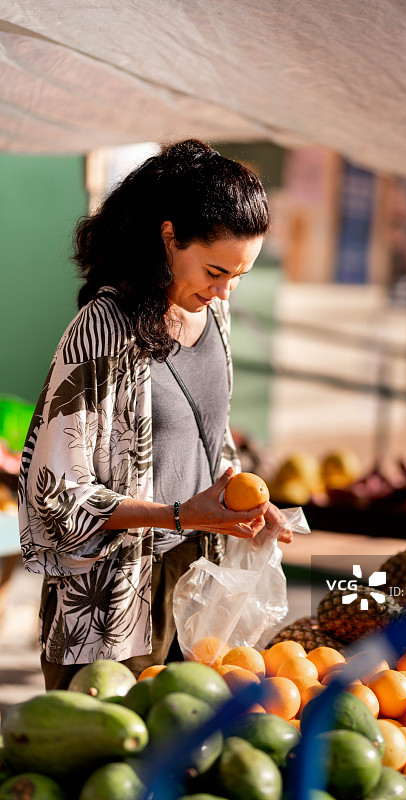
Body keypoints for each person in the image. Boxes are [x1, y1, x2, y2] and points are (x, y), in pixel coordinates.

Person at [18, 139, 292, 690]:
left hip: (200, 592)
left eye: (240, 275)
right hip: (113, 605)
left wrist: (242, 504)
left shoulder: (214, 314)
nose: (224, 291)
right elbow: (54, 498)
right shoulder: (102, 329)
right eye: (215, 270)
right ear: (169, 237)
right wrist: (178, 514)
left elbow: (207, 440)